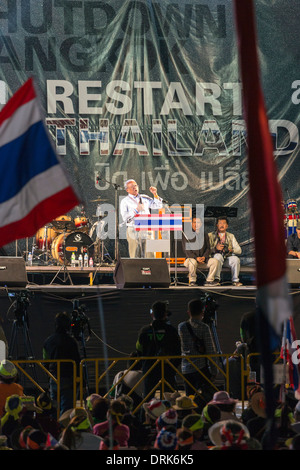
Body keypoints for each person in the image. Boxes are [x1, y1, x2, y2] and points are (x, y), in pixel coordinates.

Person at [135, 301, 181, 399]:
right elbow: (178, 351)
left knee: (147, 399)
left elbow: (138, 349)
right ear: (165, 314)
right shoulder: (171, 331)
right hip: (167, 370)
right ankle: (169, 414)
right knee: (170, 398)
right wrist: (173, 367)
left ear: (152, 314)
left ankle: (146, 413)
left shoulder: (144, 331)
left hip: (149, 370)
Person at [42, 312, 81, 415]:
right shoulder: (71, 342)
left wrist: (49, 376)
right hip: (68, 378)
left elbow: (45, 361)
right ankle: (64, 429)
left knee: (54, 408)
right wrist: (81, 381)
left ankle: (54, 428)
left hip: (53, 378)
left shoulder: (48, 341)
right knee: (67, 410)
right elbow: (78, 362)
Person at [178, 298, 217, 398]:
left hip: (186, 368)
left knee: (189, 398)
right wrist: (214, 371)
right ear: (202, 312)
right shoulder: (204, 327)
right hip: (201, 369)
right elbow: (210, 349)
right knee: (204, 397)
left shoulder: (181, 326)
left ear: (188, 312)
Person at [120, 179, 163, 258]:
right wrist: (136, 210)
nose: (134, 188)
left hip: (146, 228)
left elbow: (158, 206)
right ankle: (135, 270)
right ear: (127, 190)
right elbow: (125, 218)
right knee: (134, 254)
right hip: (133, 228)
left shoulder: (144, 198)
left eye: (135, 186)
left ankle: (150, 269)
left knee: (150, 254)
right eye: (132, 187)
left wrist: (155, 194)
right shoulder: (125, 201)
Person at [182, 216, 219, 287]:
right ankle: (192, 281)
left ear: (201, 224)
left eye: (198, 222)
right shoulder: (186, 234)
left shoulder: (205, 234)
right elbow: (186, 250)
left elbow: (208, 248)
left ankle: (209, 281)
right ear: (191, 223)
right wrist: (196, 258)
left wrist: (204, 257)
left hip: (203, 260)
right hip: (190, 260)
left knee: (215, 261)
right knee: (192, 261)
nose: (196, 224)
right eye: (194, 222)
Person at [207, 216, 243, 286]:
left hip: (226, 259)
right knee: (218, 255)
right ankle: (216, 279)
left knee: (235, 259)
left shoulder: (231, 236)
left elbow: (239, 251)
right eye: (220, 223)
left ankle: (235, 280)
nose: (222, 225)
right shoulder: (210, 235)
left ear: (227, 226)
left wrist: (231, 250)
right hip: (215, 260)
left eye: (224, 223)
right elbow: (206, 250)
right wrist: (216, 248)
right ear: (217, 225)